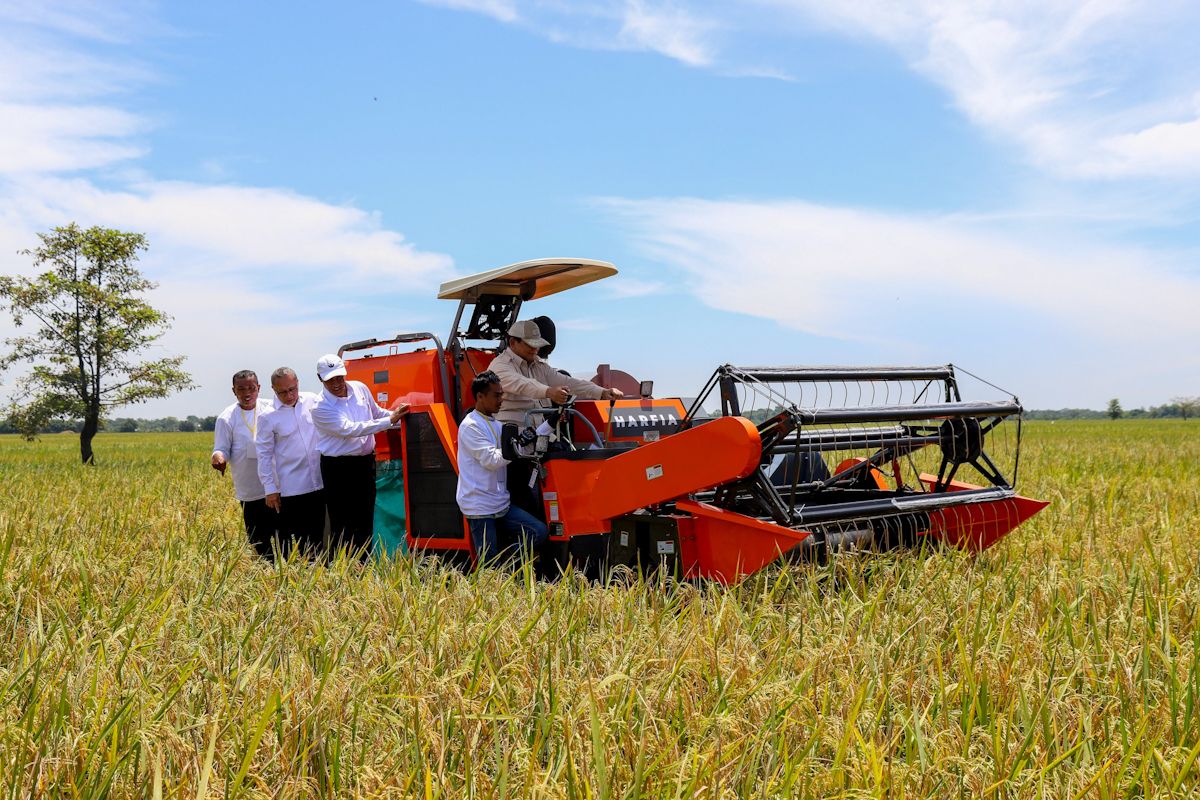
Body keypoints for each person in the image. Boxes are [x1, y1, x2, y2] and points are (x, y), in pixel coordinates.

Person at [490, 318, 624, 515]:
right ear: (513, 343)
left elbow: (568, 382)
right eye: (530, 345)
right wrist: (548, 392)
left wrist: (602, 392)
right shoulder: (499, 366)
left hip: (539, 438)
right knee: (524, 497)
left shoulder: (538, 366)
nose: (535, 350)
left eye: (538, 345)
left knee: (562, 464)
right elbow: (522, 384)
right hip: (513, 444)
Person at [310, 353, 409, 555]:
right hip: (338, 468)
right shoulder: (320, 407)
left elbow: (377, 412)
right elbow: (351, 429)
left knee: (365, 517)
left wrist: (400, 418)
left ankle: (363, 565)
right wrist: (390, 421)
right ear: (320, 379)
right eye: (330, 380)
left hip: (365, 464)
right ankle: (345, 569)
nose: (337, 383)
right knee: (343, 521)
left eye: (339, 377)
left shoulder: (360, 388)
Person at [456, 371, 548, 566]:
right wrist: (515, 448)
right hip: (480, 506)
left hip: (500, 503)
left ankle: (505, 562)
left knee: (538, 532)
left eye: (502, 394)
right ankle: (498, 571)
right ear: (480, 396)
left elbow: (511, 450)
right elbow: (491, 459)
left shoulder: (496, 425)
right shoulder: (470, 426)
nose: (502, 399)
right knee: (489, 567)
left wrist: (548, 425)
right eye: (497, 395)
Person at [255, 367, 326, 558]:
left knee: (320, 538)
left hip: (320, 483)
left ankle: (322, 576)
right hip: (292, 488)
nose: (289, 395)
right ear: (273, 389)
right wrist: (270, 489)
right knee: (296, 540)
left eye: (292, 389)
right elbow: (264, 454)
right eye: (282, 392)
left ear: (298, 383)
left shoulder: (312, 400)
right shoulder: (267, 416)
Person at [211, 370, 278, 560]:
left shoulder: (272, 408)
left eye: (251, 388)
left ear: (259, 388)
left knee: (283, 535)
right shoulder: (226, 418)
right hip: (249, 488)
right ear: (234, 391)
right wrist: (218, 457)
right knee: (258, 538)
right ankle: (266, 572)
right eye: (241, 389)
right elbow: (221, 447)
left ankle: (288, 569)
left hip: (276, 484)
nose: (247, 393)